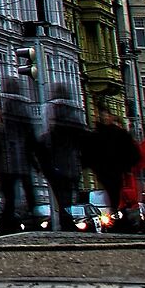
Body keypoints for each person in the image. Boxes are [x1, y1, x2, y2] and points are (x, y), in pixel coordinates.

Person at [0, 66, 42, 233]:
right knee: (28, 191)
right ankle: (32, 220)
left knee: (9, 197)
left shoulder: (2, 106)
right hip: (22, 159)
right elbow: (31, 137)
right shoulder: (24, 107)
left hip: (5, 160)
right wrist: (36, 161)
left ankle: (9, 224)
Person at [40, 83, 88, 231]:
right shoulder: (74, 115)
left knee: (62, 197)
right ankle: (66, 221)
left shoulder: (51, 112)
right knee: (67, 197)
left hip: (56, 164)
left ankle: (64, 221)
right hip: (71, 164)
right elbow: (83, 139)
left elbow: (48, 138)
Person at [87, 107, 140, 225]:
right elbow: (90, 153)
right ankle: (118, 216)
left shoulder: (118, 134)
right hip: (106, 170)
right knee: (113, 194)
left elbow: (132, 152)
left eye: (107, 116)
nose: (106, 118)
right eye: (103, 116)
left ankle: (118, 215)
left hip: (115, 170)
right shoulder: (97, 134)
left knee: (116, 194)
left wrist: (127, 167)